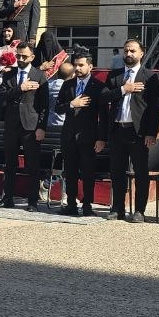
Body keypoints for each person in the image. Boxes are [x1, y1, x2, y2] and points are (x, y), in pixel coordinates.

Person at [103, 38, 159, 222]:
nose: (128, 54)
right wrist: (123, 89)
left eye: (132, 51)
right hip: (117, 130)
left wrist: (151, 132)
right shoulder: (115, 75)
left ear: (141, 54)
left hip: (138, 133)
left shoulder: (150, 77)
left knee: (140, 172)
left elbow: (154, 107)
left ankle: (139, 210)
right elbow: (103, 97)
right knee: (117, 172)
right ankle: (117, 208)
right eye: (126, 50)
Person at [56, 49, 107, 217]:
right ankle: (71, 203)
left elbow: (103, 115)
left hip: (88, 136)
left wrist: (101, 138)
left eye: (81, 65)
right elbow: (58, 108)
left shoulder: (98, 86)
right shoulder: (68, 84)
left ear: (90, 66)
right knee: (70, 172)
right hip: (69, 135)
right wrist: (72, 104)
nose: (77, 68)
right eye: (75, 65)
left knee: (88, 172)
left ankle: (87, 204)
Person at [0, 42, 48, 210]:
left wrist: (41, 127)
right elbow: (2, 97)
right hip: (12, 124)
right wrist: (20, 88)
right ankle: (8, 198)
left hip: (31, 126)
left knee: (32, 165)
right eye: (18, 55)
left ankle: (32, 201)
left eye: (24, 56)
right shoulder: (9, 75)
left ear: (32, 57)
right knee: (9, 163)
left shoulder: (39, 75)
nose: (20, 59)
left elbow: (44, 105)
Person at [46, 58, 74, 130]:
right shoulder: (71, 88)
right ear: (72, 75)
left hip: (47, 123)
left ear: (58, 72)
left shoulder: (47, 84)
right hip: (65, 124)